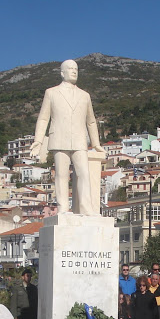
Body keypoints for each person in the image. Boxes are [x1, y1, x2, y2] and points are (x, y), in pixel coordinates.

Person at [31, 59, 104, 215]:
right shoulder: (51, 92)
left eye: (76, 68)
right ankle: (63, 208)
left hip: (79, 140)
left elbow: (91, 121)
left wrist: (96, 143)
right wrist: (38, 140)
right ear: (62, 73)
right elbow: (44, 118)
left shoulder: (85, 95)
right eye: (70, 68)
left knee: (84, 173)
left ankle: (86, 208)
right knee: (61, 175)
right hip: (58, 138)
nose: (74, 71)